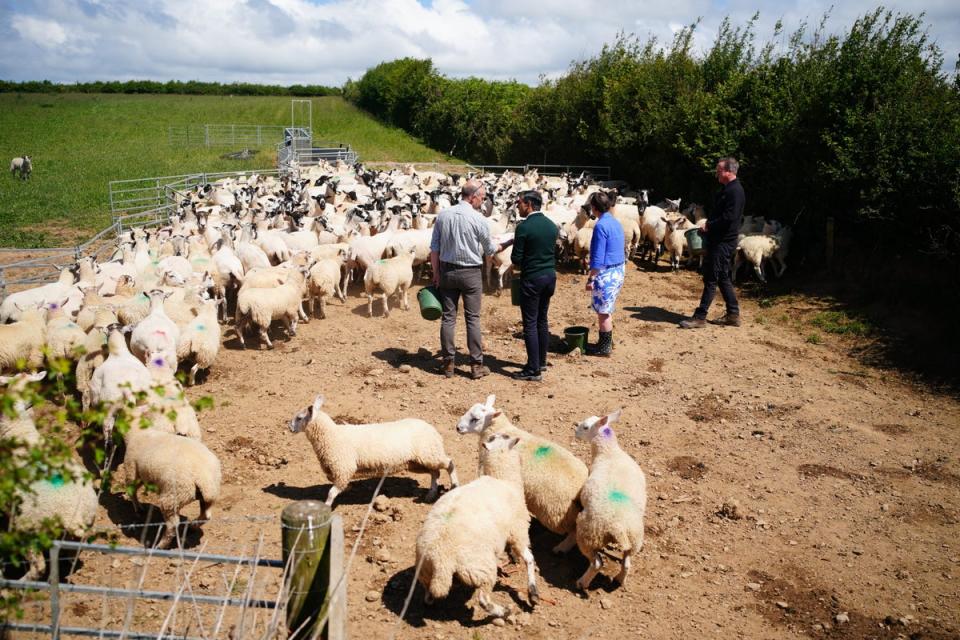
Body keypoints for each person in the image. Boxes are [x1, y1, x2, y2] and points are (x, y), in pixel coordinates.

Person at [430, 179, 510, 379]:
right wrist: (507, 243)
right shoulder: (479, 219)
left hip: (448, 271)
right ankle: (476, 365)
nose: (482, 202)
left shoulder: (443, 216)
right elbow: (490, 249)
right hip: (471, 273)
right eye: (481, 198)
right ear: (473, 196)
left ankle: (448, 364)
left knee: (448, 317)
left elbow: (434, 249)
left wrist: (436, 273)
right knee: (472, 318)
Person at [680, 157, 745, 329]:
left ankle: (700, 317)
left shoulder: (735, 191)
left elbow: (729, 218)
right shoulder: (727, 189)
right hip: (719, 239)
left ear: (728, 171)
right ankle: (733, 314)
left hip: (724, 242)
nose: (716, 173)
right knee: (722, 276)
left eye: (719, 170)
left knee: (711, 278)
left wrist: (709, 226)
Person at [510, 190, 558, 381]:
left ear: (528, 204)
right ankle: (542, 361)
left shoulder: (524, 227)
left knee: (529, 323)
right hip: (550, 276)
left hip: (532, 279)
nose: (518, 206)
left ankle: (533, 369)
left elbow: (516, 259)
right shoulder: (551, 225)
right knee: (542, 319)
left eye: (519, 203)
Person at [584, 191, 625, 356]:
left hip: (606, 272)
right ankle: (607, 341)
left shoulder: (600, 226)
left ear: (594, 208)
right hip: (618, 269)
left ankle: (604, 347)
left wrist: (591, 278)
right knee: (607, 309)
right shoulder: (615, 222)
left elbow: (598, 257)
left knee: (603, 313)